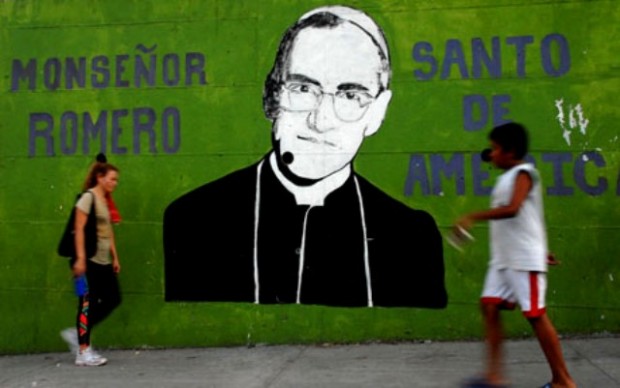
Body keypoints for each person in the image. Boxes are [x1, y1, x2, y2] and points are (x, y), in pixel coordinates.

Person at [163, 5, 447, 308]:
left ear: (377, 113)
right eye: (302, 88)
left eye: (351, 95)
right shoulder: (194, 220)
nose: (320, 120)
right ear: (272, 97)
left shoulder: (411, 237)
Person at [454, 123, 576, 388]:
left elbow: (514, 210)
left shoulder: (525, 173)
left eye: (496, 148)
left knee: (535, 315)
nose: (491, 154)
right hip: (503, 261)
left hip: (521, 261)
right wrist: (541, 250)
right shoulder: (505, 178)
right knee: (489, 306)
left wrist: (472, 217)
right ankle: (494, 376)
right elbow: (529, 222)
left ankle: (563, 380)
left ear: (510, 152)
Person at [60, 154, 122, 367]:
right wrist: (79, 259)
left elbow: (108, 230)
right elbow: (78, 230)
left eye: (116, 180)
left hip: (103, 261)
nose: (114, 183)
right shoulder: (88, 198)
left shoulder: (105, 200)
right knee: (86, 303)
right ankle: (83, 352)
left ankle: (77, 334)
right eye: (112, 179)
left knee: (113, 298)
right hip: (87, 260)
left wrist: (115, 256)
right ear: (100, 177)